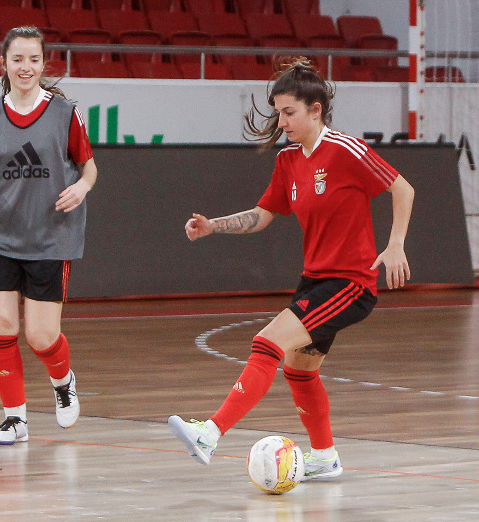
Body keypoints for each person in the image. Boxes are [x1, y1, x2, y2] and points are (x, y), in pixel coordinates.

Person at [168, 58, 415, 480]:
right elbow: (263, 214)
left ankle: (210, 432)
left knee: (267, 342)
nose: (281, 121)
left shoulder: (347, 150)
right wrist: (214, 226)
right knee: (300, 371)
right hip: (315, 280)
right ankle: (324, 458)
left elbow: (402, 188)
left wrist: (394, 245)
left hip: (350, 283)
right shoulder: (287, 161)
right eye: (278, 112)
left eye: (289, 112)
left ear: (315, 109)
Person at [0, 26, 97, 445]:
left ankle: (63, 382)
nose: (25, 67)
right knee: (2, 326)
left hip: (50, 236)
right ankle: (15, 419)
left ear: (44, 65)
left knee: (40, 336)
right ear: (3, 64)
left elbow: (90, 167)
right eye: (17, 59)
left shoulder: (65, 114)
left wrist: (80, 187)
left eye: (33, 59)